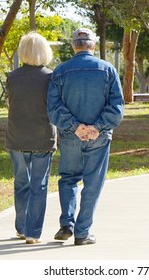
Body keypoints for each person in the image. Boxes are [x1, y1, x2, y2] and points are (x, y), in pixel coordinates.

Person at [47, 28, 124, 245]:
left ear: (74, 45)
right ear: (92, 45)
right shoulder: (108, 70)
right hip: (98, 138)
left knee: (68, 178)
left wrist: (75, 127)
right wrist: (97, 127)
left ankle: (66, 225)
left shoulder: (60, 71)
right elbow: (117, 107)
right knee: (93, 183)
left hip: (70, 136)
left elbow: (53, 107)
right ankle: (82, 233)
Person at [5, 31, 57, 244]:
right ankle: (33, 232)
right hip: (43, 137)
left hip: (16, 136)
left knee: (21, 182)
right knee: (39, 185)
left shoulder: (12, 77)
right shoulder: (52, 77)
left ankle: (21, 227)